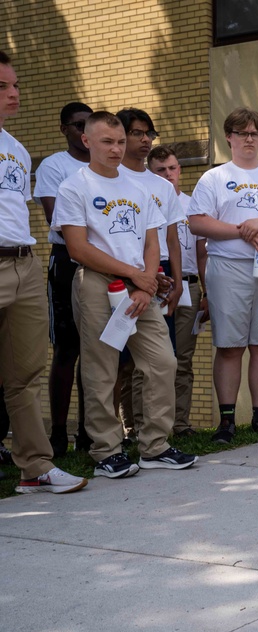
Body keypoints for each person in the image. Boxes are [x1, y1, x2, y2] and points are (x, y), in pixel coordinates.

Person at [53, 110, 197, 478]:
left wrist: (147, 281)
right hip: (99, 283)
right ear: (87, 141)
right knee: (102, 367)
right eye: (107, 142)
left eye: (120, 142)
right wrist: (137, 276)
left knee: (163, 362)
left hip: (140, 286)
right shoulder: (75, 186)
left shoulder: (139, 188)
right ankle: (106, 451)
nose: (116, 149)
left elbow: (153, 240)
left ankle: (154, 446)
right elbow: (77, 248)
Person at [188, 107, 258, 442]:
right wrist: (243, 231)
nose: (249, 139)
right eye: (242, 133)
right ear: (229, 137)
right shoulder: (214, 177)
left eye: (254, 133)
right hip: (229, 268)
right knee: (229, 346)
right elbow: (197, 222)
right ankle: (227, 421)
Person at [0, 51, 88, 493]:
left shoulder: (15, 148)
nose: (14, 93)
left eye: (15, 85)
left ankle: (35, 467)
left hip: (25, 263)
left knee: (26, 373)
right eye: (3, 86)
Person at [117, 108, 186, 437]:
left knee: (160, 360)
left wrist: (177, 282)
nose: (145, 139)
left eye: (149, 133)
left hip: (157, 276)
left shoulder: (161, 185)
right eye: (137, 133)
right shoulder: (110, 176)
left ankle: (157, 433)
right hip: (116, 275)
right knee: (120, 363)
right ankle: (124, 430)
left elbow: (171, 238)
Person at [34, 101, 93, 456]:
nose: (84, 132)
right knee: (67, 349)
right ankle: (58, 433)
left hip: (105, 263)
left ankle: (89, 433)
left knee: (97, 352)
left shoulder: (105, 165)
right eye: (77, 125)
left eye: (89, 125)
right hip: (68, 262)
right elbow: (56, 219)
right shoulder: (54, 166)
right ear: (64, 129)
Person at [147, 145, 208, 437]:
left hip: (189, 285)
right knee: (148, 361)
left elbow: (203, 252)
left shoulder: (194, 204)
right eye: (161, 170)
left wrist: (207, 292)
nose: (168, 174)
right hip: (156, 283)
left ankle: (180, 424)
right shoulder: (145, 199)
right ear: (151, 172)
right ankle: (140, 426)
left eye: (172, 168)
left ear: (180, 170)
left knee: (182, 360)